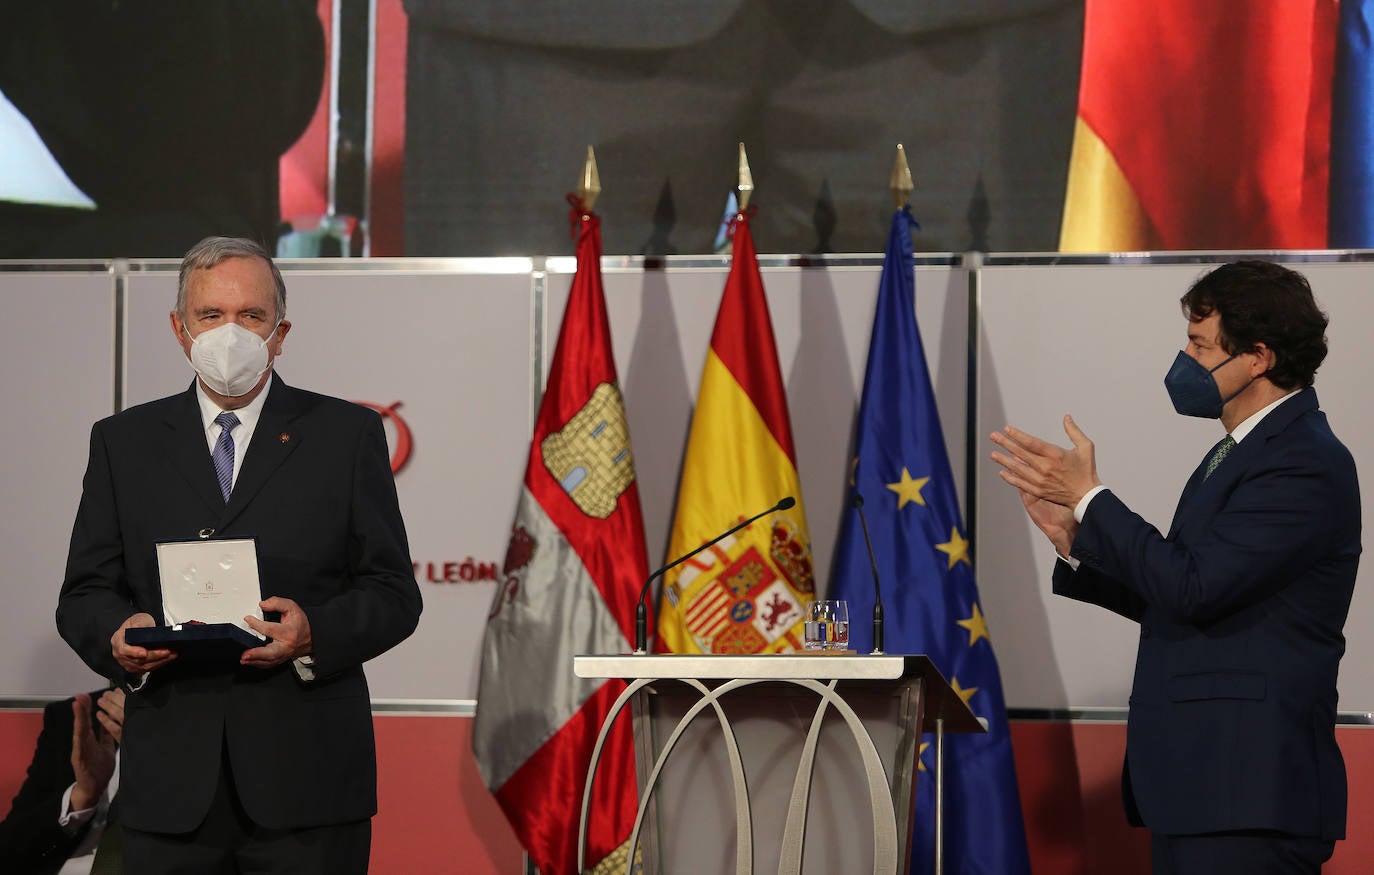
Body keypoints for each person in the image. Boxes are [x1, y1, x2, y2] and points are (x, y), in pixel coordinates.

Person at [56, 236, 422, 873]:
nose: (232, 333)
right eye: (210, 316)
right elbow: (84, 593)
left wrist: (314, 634)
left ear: (280, 333)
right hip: (169, 788)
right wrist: (116, 637)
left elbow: (393, 593)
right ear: (179, 328)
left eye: (251, 317)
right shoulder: (123, 442)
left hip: (308, 785)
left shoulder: (347, 436)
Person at [989, 260, 1360, 874]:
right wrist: (1075, 537)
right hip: (1203, 788)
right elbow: (1186, 590)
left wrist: (1092, 496)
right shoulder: (1234, 455)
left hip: (1247, 789)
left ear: (1258, 357)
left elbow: (1193, 587)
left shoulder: (1304, 461)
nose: (1183, 359)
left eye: (1199, 343)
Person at [0, 688, 125, 875]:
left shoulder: (183, 734)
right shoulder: (77, 715)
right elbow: (8, 853)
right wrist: (81, 796)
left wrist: (161, 754)